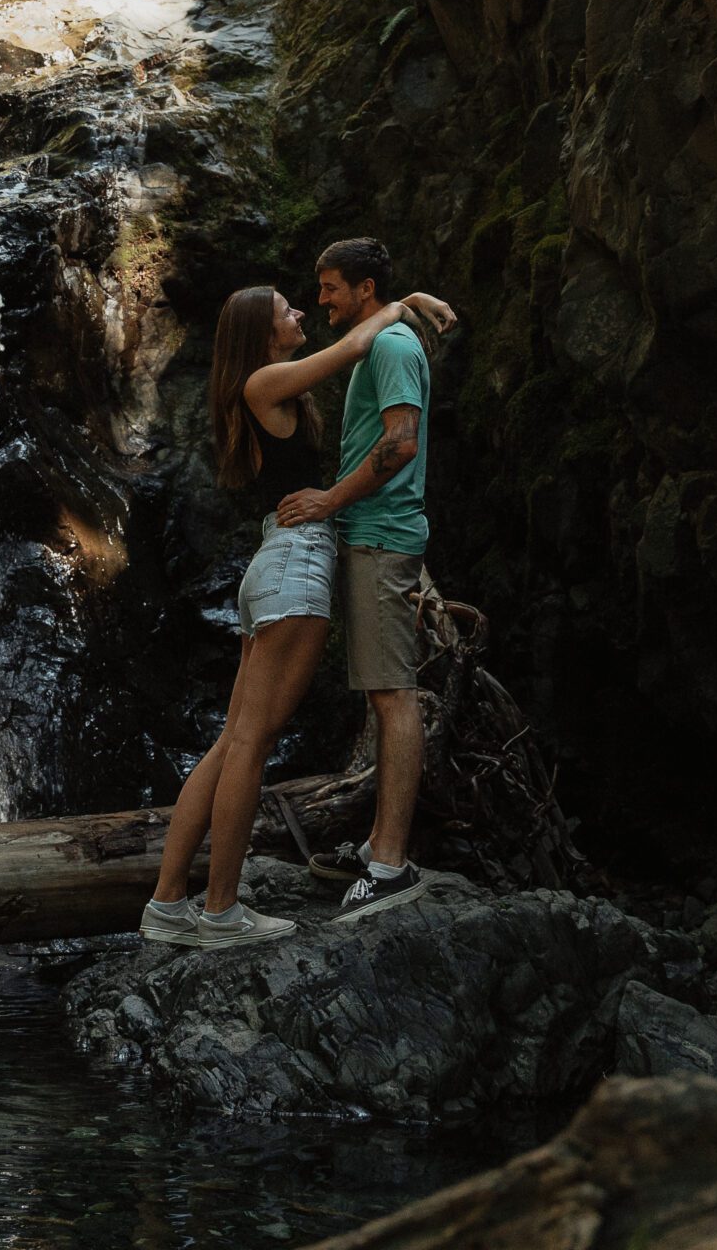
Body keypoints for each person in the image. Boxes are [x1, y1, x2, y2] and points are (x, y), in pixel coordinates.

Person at [142, 274, 455, 950]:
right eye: (287, 308)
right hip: (294, 568)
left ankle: (168, 905)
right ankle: (220, 912)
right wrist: (407, 303)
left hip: (275, 567)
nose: (301, 310)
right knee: (249, 745)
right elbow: (352, 348)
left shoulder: (267, 388)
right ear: (261, 332)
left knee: (233, 741)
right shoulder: (261, 382)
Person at [274, 237, 434, 920]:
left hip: (377, 539)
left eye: (332, 287)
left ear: (364, 290)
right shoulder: (380, 342)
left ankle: (391, 864)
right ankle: (376, 848)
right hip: (368, 539)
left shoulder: (393, 348)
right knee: (380, 693)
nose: (321, 300)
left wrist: (329, 500)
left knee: (394, 696)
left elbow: (401, 442)